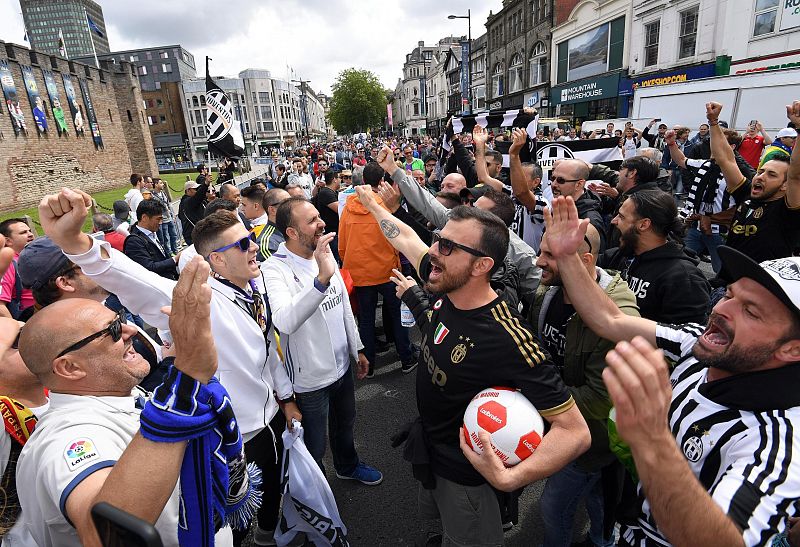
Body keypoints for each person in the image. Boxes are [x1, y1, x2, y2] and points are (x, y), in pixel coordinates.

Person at [39, 188, 298, 546]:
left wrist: (286, 398)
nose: (253, 246)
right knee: (233, 518)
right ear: (217, 262)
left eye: (250, 237)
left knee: (274, 489)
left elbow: (269, 352)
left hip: (270, 418)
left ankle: (271, 536)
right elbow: (135, 281)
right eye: (241, 244)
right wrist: (77, 243)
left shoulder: (258, 286)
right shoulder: (198, 302)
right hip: (234, 434)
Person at [541, 194, 800, 546]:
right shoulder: (698, 345)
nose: (723, 311)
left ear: (792, 349)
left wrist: (651, 441)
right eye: (729, 294)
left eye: (751, 312)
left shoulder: (777, 445)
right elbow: (609, 318)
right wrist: (568, 258)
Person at [354, 181, 589, 545]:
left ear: (482, 265)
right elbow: (404, 237)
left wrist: (512, 478)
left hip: (465, 478)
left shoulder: (508, 338)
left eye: (446, 246)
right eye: (436, 238)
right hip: (431, 451)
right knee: (446, 527)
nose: (433, 251)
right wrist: (372, 204)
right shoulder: (446, 278)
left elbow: (575, 431)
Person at [11, 257, 238, 546]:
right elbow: (106, 533)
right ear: (70, 368)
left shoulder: (119, 394)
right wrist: (187, 381)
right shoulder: (65, 438)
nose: (131, 331)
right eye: (114, 331)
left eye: (122, 321)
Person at [532, 223, 638, 547]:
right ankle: (602, 536)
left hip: (591, 440)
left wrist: (534, 401)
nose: (538, 262)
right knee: (596, 494)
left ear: (586, 261)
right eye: (540, 251)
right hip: (559, 422)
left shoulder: (616, 312)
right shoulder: (548, 289)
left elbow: (598, 399)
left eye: (550, 255)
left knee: (554, 507)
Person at [264, 197, 382, 485]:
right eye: (312, 221)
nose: (322, 224)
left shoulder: (324, 252)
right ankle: (315, 496)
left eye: (319, 216)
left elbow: (342, 306)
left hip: (342, 367)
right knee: (314, 444)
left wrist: (358, 349)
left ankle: (348, 465)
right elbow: (285, 320)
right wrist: (321, 280)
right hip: (309, 381)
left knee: (345, 425)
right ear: (291, 232)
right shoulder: (273, 269)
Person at [339, 162, 416, 376]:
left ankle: (369, 365)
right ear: (382, 181)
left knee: (366, 319)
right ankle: (406, 359)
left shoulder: (348, 206)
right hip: (387, 271)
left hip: (360, 273)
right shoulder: (384, 205)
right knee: (397, 317)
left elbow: (342, 243)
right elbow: (397, 239)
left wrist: (348, 264)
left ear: (363, 181)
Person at [706, 101, 800, 263]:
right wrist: (713, 122)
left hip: (761, 286)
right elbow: (725, 159)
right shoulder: (747, 194)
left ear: (785, 185)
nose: (760, 177)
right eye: (761, 171)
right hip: (728, 283)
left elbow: (795, 174)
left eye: (771, 175)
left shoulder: (787, 209)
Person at [601, 189, 710, 324]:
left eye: (621, 217)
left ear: (643, 224)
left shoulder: (683, 279)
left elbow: (685, 339)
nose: (614, 221)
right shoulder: (619, 255)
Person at [124, 200, 180, 280]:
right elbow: (148, 268)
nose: (160, 223)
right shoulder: (133, 241)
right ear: (144, 218)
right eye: (158, 219)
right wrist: (175, 259)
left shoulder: (151, 233)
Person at [0, 218, 35, 319]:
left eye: (30, 231)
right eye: (23, 232)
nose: (30, 234)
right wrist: (17, 329)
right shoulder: (8, 264)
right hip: (29, 318)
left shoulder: (28, 257)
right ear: (8, 241)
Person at [253, 188, 290, 263]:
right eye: (286, 203)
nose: (293, 206)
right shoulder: (267, 244)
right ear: (272, 210)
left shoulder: (294, 227)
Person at [312, 171, 342, 264]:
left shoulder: (331, 192)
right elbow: (340, 210)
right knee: (333, 261)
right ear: (335, 180)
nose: (341, 181)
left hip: (335, 233)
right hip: (331, 235)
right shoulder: (326, 193)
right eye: (340, 178)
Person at [152, 178, 179, 256]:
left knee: (174, 235)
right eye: (160, 183)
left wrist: (172, 214)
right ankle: (169, 253)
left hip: (169, 217)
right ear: (156, 184)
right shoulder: (153, 196)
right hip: (162, 220)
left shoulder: (163, 193)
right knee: (165, 238)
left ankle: (175, 249)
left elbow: (168, 204)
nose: (162, 184)